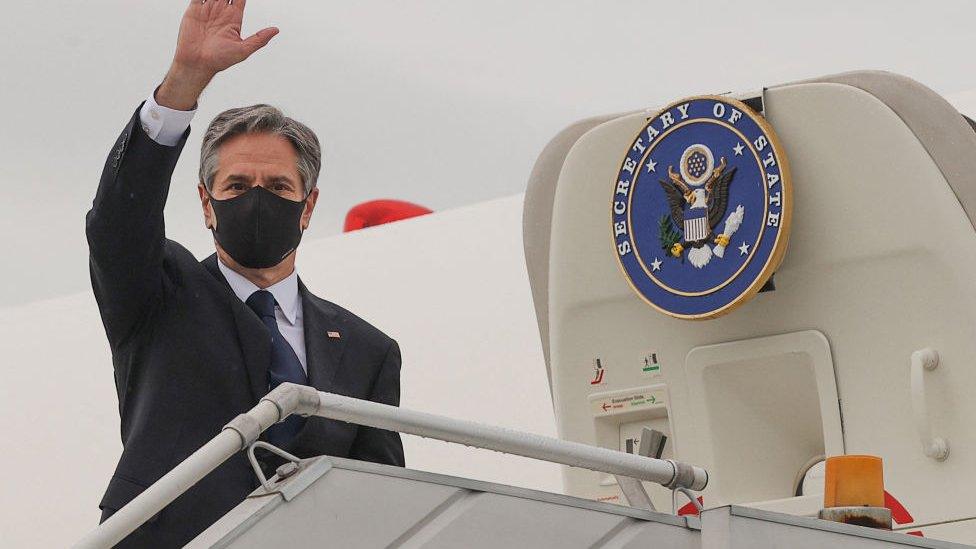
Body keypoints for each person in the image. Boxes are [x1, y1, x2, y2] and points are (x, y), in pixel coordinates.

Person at [87, 1, 404, 545]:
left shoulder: (367, 350)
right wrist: (185, 80)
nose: (258, 201)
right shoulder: (160, 295)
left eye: (279, 188)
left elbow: (381, 500)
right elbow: (118, 220)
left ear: (308, 207)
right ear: (207, 206)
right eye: (236, 187)